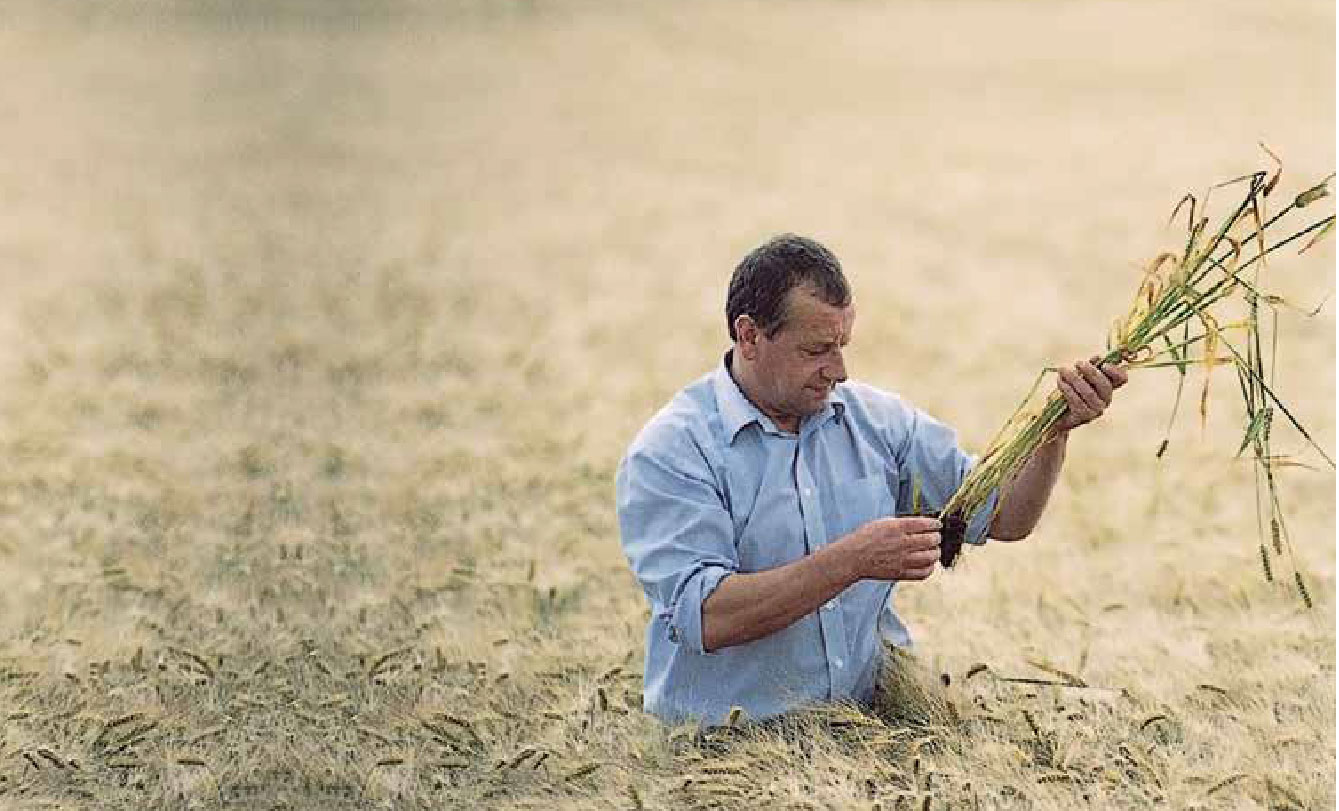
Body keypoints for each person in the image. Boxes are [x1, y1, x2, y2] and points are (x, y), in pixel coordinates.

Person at [615, 234, 1127, 725]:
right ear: (749, 336)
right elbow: (708, 617)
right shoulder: (672, 452)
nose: (838, 369)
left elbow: (1005, 517)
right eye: (816, 350)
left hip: (870, 732)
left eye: (843, 344)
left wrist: (1053, 432)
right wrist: (853, 560)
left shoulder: (875, 421)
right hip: (725, 750)